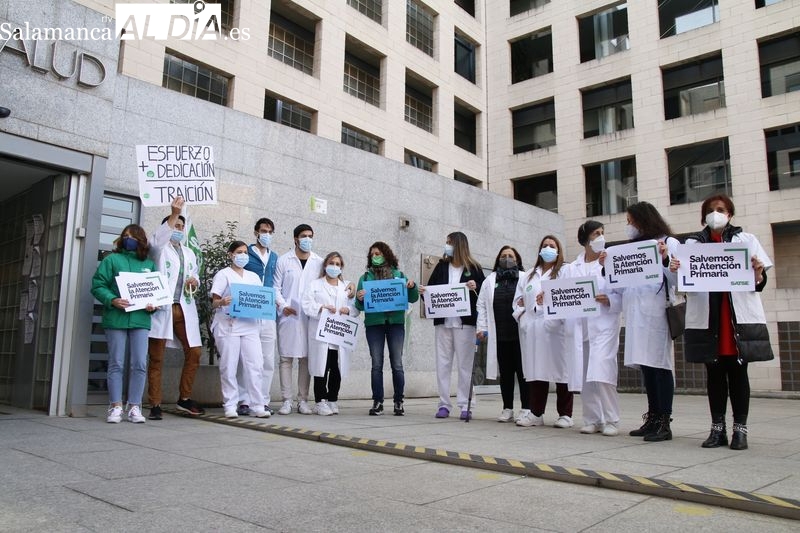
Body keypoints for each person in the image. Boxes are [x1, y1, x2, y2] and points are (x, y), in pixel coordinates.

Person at [669, 194, 773, 450]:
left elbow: (759, 283)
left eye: (721, 209)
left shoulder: (746, 240)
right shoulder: (692, 244)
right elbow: (683, 286)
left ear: (730, 214)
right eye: (711, 210)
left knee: (738, 374)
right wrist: (676, 270)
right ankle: (717, 429)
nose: (716, 214)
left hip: (736, 319)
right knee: (714, 375)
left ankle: (740, 430)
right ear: (703, 216)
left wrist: (758, 272)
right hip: (709, 320)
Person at [604, 201, 679, 442]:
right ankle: (653, 417)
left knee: (660, 366)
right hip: (636, 315)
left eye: (630, 221)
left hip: (656, 314)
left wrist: (665, 259)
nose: (628, 226)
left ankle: (664, 421)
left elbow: (678, 279)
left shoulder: (668, 243)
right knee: (647, 368)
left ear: (643, 221)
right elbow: (620, 285)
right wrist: (608, 266)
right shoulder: (631, 249)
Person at [91, 224, 157, 424]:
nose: (129, 239)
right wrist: (112, 299)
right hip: (116, 318)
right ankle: (115, 406)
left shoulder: (149, 264)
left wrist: (153, 306)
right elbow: (98, 285)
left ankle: (135, 406)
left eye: (133, 237)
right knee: (116, 363)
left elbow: (154, 293)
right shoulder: (111, 260)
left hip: (140, 319)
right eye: (126, 236)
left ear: (141, 240)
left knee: (140, 363)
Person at [146, 197, 204, 421]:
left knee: (194, 352)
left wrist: (194, 281)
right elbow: (156, 241)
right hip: (163, 309)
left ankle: (184, 398)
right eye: (175, 226)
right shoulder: (159, 250)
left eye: (181, 227)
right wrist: (174, 213)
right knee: (157, 358)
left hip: (184, 309)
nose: (178, 230)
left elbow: (195, 276)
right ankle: (155, 403)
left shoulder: (189, 253)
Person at [420, 232, 485, 419]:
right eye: (446, 242)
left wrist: (475, 286)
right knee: (443, 364)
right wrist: (424, 292)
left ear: (459, 245)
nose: (447, 245)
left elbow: (483, 295)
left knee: (465, 366)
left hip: (465, 325)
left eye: (449, 242)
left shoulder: (474, 268)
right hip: (443, 324)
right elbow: (431, 292)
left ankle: (466, 405)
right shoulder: (441, 266)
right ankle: (444, 404)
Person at [513, 235, 574, 428]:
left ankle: (565, 414)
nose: (548, 248)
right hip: (533, 328)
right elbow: (517, 301)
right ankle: (536, 413)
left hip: (557, 328)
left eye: (552, 246)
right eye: (545, 245)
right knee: (536, 370)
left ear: (558, 250)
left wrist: (548, 301)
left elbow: (569, 295)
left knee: (561, 370)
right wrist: (523, 316)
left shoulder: (565, 270)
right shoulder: (529, 275)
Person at [568, 221, 622, 436]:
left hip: (604, 325)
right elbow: (562, 294)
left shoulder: (609, 261)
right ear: (585, 239)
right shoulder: (572, 268)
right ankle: (592, 419)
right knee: (585, 375)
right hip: (580, 327)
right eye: (596, 233)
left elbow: (621, 292)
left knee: (602, 371)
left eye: (602, 233)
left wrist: (610, 300)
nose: (600, 237)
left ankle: (612, 419)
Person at [354, 242, 419, 416]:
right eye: (372, 254)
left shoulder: (399, 275)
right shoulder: (365, 278)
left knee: (397, 363)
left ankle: (399, 401)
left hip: (395, 323)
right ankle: (378, 401)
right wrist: (359, 298)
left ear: (386, 254)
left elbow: (413, 298)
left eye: (378, 253)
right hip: (374, 324)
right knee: (376, 364)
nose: (375, 257)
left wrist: (412, 286)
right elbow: (358, 305)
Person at [209, 241, 269, 419]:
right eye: (239, 252)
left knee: (256, 365)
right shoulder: (223, 274)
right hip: (228, 325)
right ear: (230, 255)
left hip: (249, 325)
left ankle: (257, 405)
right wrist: (222, 302)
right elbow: (214, 302)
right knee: (229, 366)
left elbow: (260, 300)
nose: (243, 255)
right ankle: (230, 405)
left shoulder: (253, 277)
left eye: (245, 252)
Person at [273, 224, 323, 415]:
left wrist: (350, 287)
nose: (307, 239)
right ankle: (286, 400)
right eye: (303, 236)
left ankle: (303, 400)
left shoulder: (319, 262)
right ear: (295, 239)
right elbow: (275, 288)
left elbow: (329, 284)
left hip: (310, 317)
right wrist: (282, 305)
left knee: (305, 359)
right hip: (288, 315)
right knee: (286, 358)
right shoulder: (283, 260)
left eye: (310, 236)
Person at [302, 252, 359, 415]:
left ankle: (332, 399)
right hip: (321, 335)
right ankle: (320, 401)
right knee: (321, 367)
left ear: (341, 268)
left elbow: (355, 308)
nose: (334, 267)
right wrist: (321, 308)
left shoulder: (346, 287)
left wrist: (347, 310)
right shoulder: (315, 285)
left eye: (338, 264)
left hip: (339, 335)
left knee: (336, 368)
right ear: (325, 265)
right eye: (331, 263)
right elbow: (306, 304)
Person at [476, 246, 529, 423]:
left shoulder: (525, 277)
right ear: (498, 259)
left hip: (520, 334)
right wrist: (481, 327)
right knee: (505, 374)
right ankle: (507, 408)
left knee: (523, 373)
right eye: (504, 256)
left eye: (510, 256)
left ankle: (526, 408)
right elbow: (481, 305)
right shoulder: (490, 280)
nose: (507, 258)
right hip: (500, 335)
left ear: (517, 259)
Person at [236, 216, 279, 417]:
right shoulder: (246, 253)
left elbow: (276, 283)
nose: (266, 235)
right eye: (263, 231)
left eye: (270, 232)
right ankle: (244, 400)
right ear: (256, 232)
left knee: (267, 359)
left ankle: (262, 400)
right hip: (249, 310)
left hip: (268, 311)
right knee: (246, 357)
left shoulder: (275, 257)